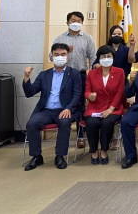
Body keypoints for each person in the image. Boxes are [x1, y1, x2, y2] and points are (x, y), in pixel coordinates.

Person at [23, 43, 82, 171]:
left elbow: (77, 95)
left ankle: (60, 156)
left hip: (65, 109)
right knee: (31, 124)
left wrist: (68, 108)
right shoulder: (44, 74)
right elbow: (30, 93)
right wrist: (27, 78)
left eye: (63, 54)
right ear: (52, 56)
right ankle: (37, 156)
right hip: (45, 110)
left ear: (67, 57)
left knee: (65, 123)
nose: (59, 57)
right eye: (56, 54)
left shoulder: (74, 74)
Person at [52, 11, 96, 149]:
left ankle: (80, 136)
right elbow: (51, 56)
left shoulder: (88, 38)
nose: (75, 23)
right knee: (64, 104)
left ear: (82, 23)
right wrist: (65, 51)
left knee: (81, 105)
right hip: (63, 76)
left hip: (81, 75)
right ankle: (62, 135)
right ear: (67, 23)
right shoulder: (60, 38)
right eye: (73, 20)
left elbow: (93, 58)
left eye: (78, 21)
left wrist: (93, 75)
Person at [84, 45, 125, 165]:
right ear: (99, 58)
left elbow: (120, 92)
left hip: (113, 108)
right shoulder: (92, 73)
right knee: (92, 123)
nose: (106, 58)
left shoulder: (119, 72)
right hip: (95, 107)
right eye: (103, 56)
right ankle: (93, 151)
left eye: (109, 56)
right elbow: (87, 91)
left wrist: (111, 109)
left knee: (107, 123)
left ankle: (104, 150)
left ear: (113, 58)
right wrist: (90, 96)